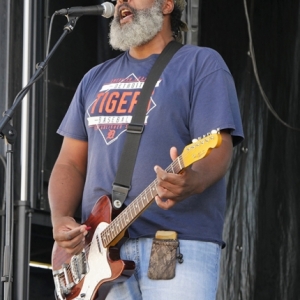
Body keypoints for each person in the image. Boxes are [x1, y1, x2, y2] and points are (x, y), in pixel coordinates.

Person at [48, 0, 244, 299]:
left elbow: (218, 148)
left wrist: (192, 181)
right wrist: (61, 218)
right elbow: (69, 164)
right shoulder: (94, 79)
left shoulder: (201, 64)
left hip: (173, 243)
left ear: (167, 5)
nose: (121, 3)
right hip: (98, 254)